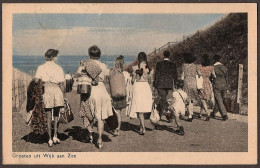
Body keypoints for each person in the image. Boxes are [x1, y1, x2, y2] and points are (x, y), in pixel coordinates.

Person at [76, 45, 113, 149]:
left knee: (89, 114)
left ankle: (90, 135)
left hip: (90, 90)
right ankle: (100, 140)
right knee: (100, 117)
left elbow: (76, 75)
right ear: (99, 54)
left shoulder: (85, 64)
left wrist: (81, 67)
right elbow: (106, 81)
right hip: (102, 91)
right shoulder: (103, 66)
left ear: (89, 54)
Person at [34, 49, 65, 147]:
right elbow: (62, 84)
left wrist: (43, 82)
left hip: (47, 90)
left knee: (48, 115)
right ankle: (56, 135)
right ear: (53, 57)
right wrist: (64, 96)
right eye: (56, 56)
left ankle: (49, 139)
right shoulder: (58, 68)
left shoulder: (41, 67)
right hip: (57, 90)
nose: (57, 58)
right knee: (56, 115)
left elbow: (36, 80)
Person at [129, 52, 153, 135]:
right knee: (143, 108)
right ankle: (141, 127)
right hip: (146, 87)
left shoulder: (135, 67)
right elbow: (150, 81)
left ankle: (143, 127)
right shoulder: (149, 68)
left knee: (139, 109)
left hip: (138, 87)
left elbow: (132, 81)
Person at [153, 50, 178, 121]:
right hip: (169, 85)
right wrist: (175, 84)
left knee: (162, 99)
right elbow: (175, 76)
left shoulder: (159, 64)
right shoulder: (173, 64)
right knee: (166, 100)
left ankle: (165, 114)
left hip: (160, 84)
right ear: (169, 56)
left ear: (163, 55)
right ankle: (166, 114)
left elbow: (156, 75)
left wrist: (155, 84)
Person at [109, 56, 128, 136]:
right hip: (122, 95)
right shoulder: (124, 73)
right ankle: (118, 128)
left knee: (114, 112)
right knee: (119, 113)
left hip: (114, 95)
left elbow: (108, 84)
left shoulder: (112, 72)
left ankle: (115, 128)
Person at [181, 52, 201, 122]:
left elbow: (182, 76)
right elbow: (199, 74)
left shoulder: (184, 65)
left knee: (187, 98)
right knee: (191, 99)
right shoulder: (195, 66)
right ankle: (190, 113)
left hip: (186, 82)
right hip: (193, 82)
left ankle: (189, 113)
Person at [210, 55, 229, 121]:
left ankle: (224, 114)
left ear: (214, 60)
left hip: (217, 83)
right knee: (221, 99)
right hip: (224, 83)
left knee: (218, 99)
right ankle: (213, 112)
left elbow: (212, 77)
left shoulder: (213, 67)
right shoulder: (224, 67)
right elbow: (227, 77)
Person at [198, 54, 216, 121]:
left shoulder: (200, 67)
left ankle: (207, 113)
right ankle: (200, 113)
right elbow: (214, 76)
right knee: (204, 99)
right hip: (208, 83)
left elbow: (199, 74)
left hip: (202, 83)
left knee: (202, 99)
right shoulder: (211, 68)